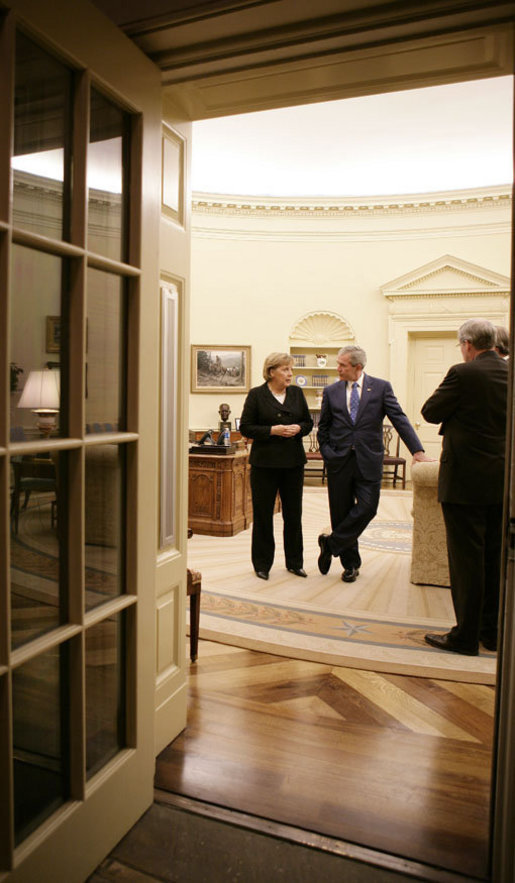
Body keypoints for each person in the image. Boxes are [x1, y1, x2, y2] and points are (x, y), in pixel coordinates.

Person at [421, 318, 508, 655]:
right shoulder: (509, 372)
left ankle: (465, 636)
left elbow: (430, 412)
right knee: (494, 558)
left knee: (466, 560)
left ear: (468, 344)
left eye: (461, 345)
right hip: (501, 482)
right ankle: (492, 632)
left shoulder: (463, 372)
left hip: (464, 482)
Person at [317, 345, 429, 582]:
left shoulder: (380, 387)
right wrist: (327, 452)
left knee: (368, 507)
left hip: (368, 460)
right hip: (339, 461)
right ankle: (351, 565)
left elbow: (399, 418)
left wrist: (417, 450)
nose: (337, 369)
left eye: (342, 365)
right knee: (341, 513)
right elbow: (323, 427)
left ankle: (331, 543)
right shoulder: (331, 391)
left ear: (358, 367)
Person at [240, 352, 313, 580]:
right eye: (285, 369)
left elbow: (308, 423)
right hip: (265, 465)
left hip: (293, 463)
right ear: (271, 372)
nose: (290, 374)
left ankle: (295, 562)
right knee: (263, 515)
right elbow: (246, 427)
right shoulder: (256, 395)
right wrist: (272, 430)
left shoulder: (297, 393)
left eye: (291, 370)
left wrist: (299, 429)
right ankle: (262, 564)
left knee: (294, 514)